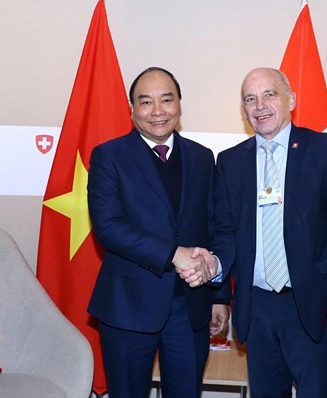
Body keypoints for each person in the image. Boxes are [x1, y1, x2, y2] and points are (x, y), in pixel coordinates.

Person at [185, 67, 327, 397]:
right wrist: (218, 283)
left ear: (290, 100)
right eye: (250, 99)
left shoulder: (323, 150)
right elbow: (225, 232)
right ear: (244, 111)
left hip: (311, 303)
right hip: (257, 307)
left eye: (269, 94)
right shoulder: (231, 162)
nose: (260, 105)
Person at [87, 66, 231, 398]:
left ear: (179, 105)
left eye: (166, 100)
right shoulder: (109, 156)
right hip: (128, 308)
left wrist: (219, 295)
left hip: (191, 306)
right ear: (132, 108)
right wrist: (172, 254)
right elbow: (108, 227)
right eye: (146, 102)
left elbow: (214, 228)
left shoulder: (201, 157)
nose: (157, 111)